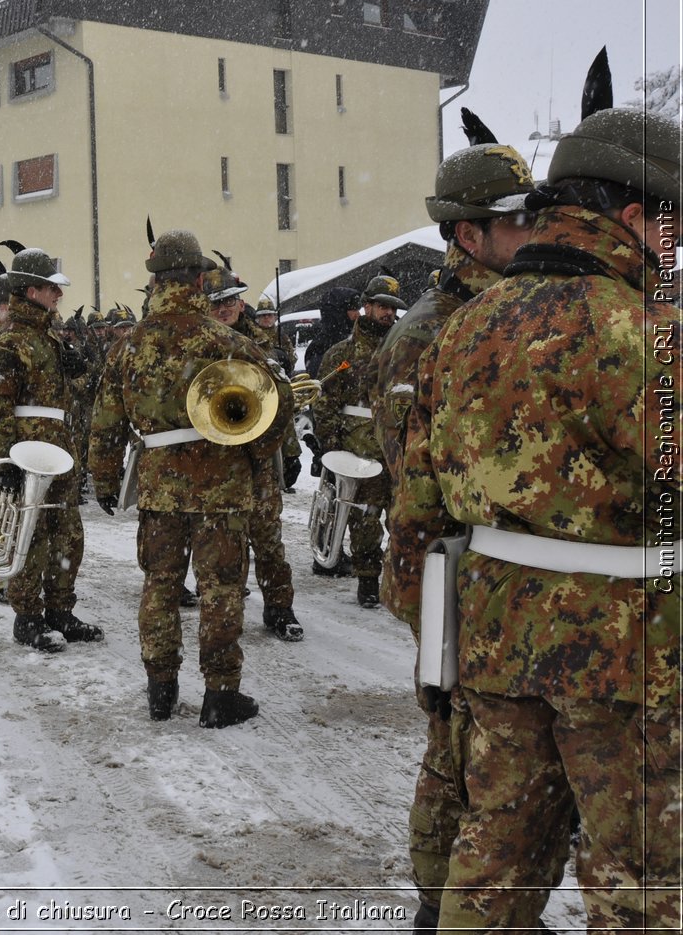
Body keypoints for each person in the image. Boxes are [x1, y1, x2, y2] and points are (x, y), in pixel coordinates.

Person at [387, 104, 680, 931]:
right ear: (631, 217)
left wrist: (441, 646)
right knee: (642, 884)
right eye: (673, 232)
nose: (675, 251)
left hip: (494, 647)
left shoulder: (461, 331)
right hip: (629, 664)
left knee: (495, 868)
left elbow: (416, 514)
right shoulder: (648, 335)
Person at [373, 135, 556, 932]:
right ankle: (438, 901)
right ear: (467, 235)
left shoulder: (525, 306)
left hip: (511, 581)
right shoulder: (428, 332)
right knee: (457, 754)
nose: (533, 230)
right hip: (452, 570)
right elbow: (418, 477)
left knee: (503, 764)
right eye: (514, 219)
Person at [89, 231, 291, 726]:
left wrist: (105, 478)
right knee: (221, 588)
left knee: (159, 584)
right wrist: (260, 455)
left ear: (155, 281)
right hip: (223, 488)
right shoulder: (230, 341)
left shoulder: (129, 345)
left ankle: (161, 688)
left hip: (159, 486)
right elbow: (274, 412)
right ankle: (221, 695)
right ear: (200, 280)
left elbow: (105, 422)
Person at [0, 246, 102, 652]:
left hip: (58, 449)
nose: (58, 295)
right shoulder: (10, 341)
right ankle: (28, 617)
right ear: (31, 291)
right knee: (28, 533)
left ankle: (60, 611)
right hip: (26, 451)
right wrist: (3, 458)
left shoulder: (46, 338)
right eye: (51, 289)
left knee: (67, 534)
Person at [207, 268, 303, 642]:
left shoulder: (260, 342)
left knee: (268, 539)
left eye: (231, 301)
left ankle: (280, 608)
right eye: (217, 303)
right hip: (213, 459)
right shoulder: (200, 342)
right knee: (220, 543)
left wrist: (282, 449)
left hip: (256, 457)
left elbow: (283, 398)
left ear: (241, 302)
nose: (225, 308)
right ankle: (223, 616)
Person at [315, 274, 404, 607]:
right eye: (382, 306)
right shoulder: (343, 353)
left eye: (392, 309)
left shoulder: (403, 349)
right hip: (359, 450)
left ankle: (400, 582)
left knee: (403, 520)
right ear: (367, 306)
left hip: (397, 449)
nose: (388, 314)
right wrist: (332, 445)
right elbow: (324, 403)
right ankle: (368, 580)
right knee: (365, 521)